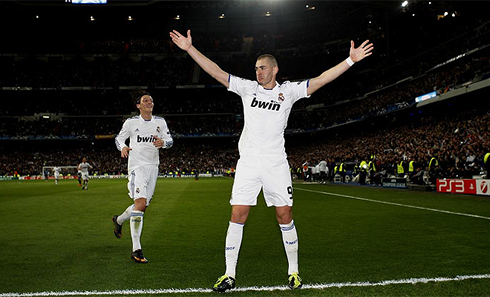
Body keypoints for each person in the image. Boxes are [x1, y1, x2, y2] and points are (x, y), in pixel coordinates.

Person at [170, 29, 373, 292]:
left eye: (263, 68)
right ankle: (229, 274)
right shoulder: (247, 88)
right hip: (249, 163)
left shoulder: (289, 91)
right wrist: (189, 49)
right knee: (237, 215)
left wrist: (351, 61)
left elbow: (321, 80)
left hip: (275, 163)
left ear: (275, 70)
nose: (258, 72)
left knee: (284, 215)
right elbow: (216, 71)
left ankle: (294, 271)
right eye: (256, 68)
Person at [112, 89, 173, 264]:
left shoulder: (160, 122)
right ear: (138, 105)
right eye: (146, 100)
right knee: (140, 204)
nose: (149, 103)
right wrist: (122, 147)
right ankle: (136, 249)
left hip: (153, 167)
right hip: (137, 167)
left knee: (143, 206)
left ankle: (119, 219)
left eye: (151, 100)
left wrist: (164, 143)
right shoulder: (131, 123)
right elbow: (119, 139)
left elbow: (170, 140)